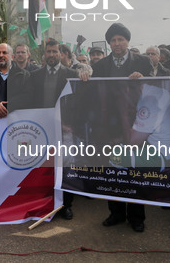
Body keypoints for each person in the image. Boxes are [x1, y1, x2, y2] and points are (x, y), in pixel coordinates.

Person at [92, 23, 152, 233]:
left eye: (121, 39)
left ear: (128, 41)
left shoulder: (143, 62)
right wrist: (83, 76)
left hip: (137, 124)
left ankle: (137, 217)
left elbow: (155, 88)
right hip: (111, 124)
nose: (117, 43)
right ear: (109, 43)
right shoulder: (100, 65)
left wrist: (143, 80)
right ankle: (116, 213)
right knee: (113, 170)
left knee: (135, 169)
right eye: (113, 40)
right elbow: (93, 90)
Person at [29, 38, 78, 220]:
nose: (51, 55)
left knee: (65, 169)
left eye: (54, 52)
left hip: (65, 130)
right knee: (46, 168)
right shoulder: (36, 75)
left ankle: (66, 205)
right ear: (45, 54)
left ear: (61, 54)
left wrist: (68, 122)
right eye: (48, 52)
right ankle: (47, 204)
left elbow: (76, 103)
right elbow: (32, 102)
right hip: (44, 129)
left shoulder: (72, 74)